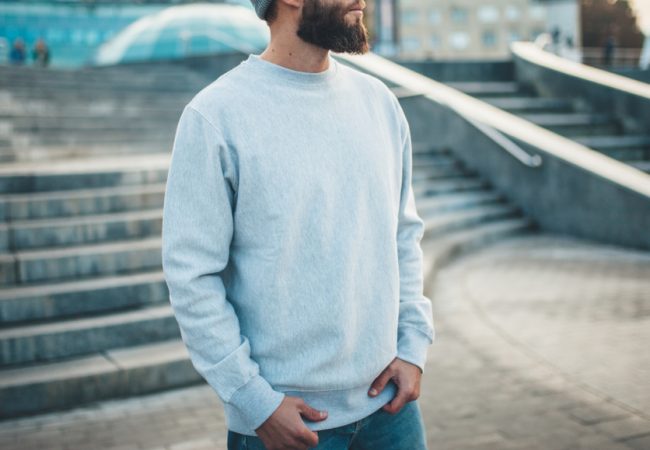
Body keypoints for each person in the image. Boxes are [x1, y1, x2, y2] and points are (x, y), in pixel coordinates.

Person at [161, 0, 435, 448]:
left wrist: (412, 348)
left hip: (390, 411)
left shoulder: (380, 104)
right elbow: (191, 277)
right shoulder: (215, 116)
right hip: (284, 425)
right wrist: (254, 401)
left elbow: (402, 236)